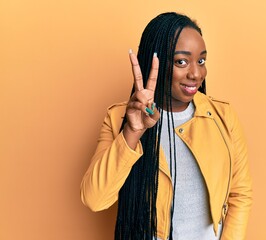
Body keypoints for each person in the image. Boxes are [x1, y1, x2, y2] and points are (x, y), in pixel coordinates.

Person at [80, 12, 252, 240]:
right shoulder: (118, 119)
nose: (196, 73)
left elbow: (240, 194)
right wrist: (132, 132)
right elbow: (95, 199)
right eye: (182, 61)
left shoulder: (223, 117)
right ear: (156, 63)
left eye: (201, 61)